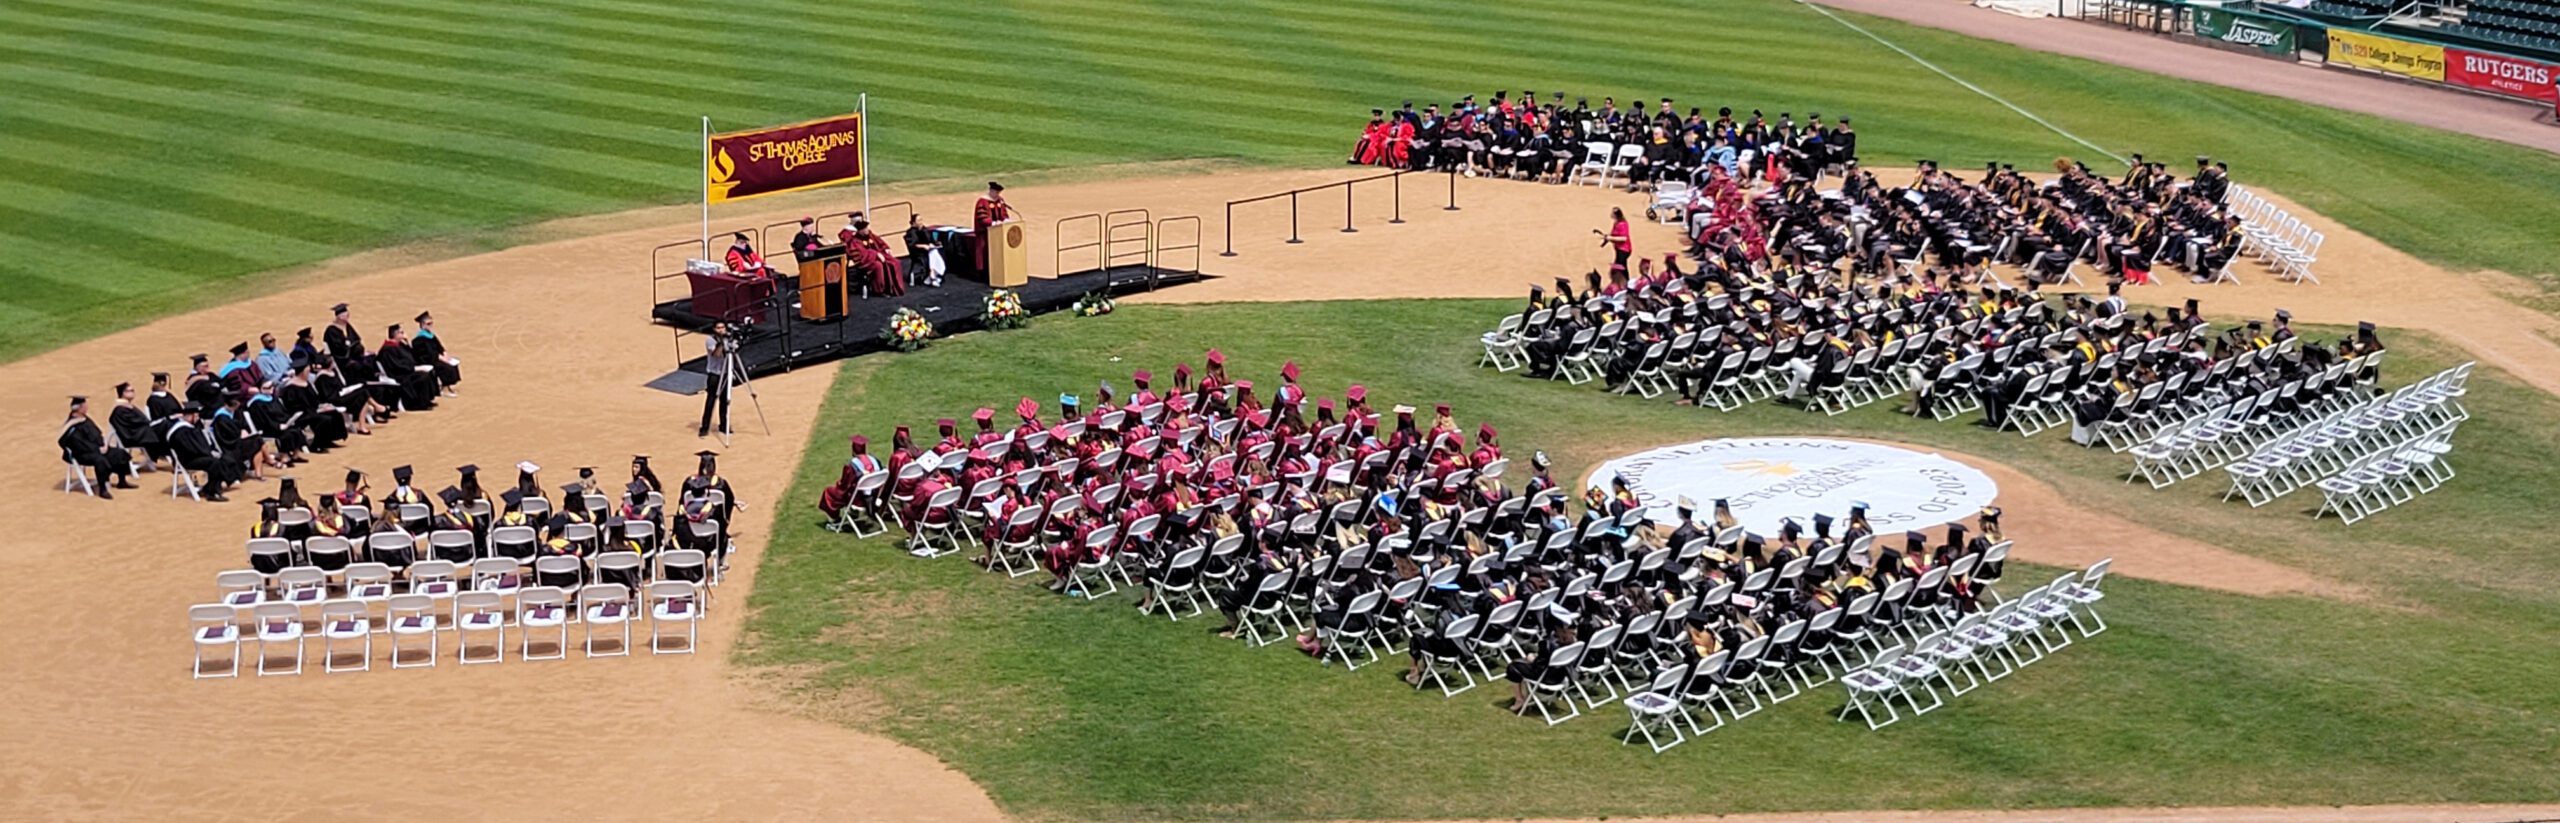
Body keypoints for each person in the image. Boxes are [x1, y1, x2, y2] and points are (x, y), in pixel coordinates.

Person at [59, 396, 136, 497]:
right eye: (85, 405)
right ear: (79, 408)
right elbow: (80, 444)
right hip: (81, 454)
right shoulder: (72, 426)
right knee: (100, 460)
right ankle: (103, 489)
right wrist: (98, 449)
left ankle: (122, 481)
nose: (87, 407)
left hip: (97, 449)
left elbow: (97, 433)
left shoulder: (85, 419)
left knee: (119, 453)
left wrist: (104, 443)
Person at [107, 382, 164, 471]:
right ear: (123, 393)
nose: (133, 393)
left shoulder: (127, 406)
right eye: (130, 391)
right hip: (131, 437)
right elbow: (132, 426)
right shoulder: (120, 409)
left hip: (137, 433)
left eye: (133, 390)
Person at [698, 322, 735, 438]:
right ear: (714, 329)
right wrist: (722, 343)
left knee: (724, 400)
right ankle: (704, 427)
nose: (721, 330)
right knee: (710, 401)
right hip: (714, 374)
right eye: (718, 328)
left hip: (725, 373)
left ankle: (724, 425)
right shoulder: (710, 340)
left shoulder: (729, 338)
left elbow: (734, 351)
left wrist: (731, 341)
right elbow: (716, 354)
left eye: (723, 327)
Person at [409, 311, 461, 394]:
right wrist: (441, 358)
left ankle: (447, 386)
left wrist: (445, 353)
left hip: (436, 358)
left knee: (452, 364)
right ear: (422, 325)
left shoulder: (431, 335)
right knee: (445, 367)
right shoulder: (418, 340)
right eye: (428, 324)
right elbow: (429, 353)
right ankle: (444, 389)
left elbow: (439, 346)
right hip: (427, 360)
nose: (431, 325)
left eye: (431, 323)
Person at [972, 181, 1014, 274]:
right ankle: (984, 272)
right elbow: (982, 218)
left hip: (998, 233)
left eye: (998, 193)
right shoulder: (982, 202)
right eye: (996, 193)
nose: (997, 195)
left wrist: (1005, 220)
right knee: (984, 253)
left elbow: (1003, 213)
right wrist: (993, 223)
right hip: (984, 233)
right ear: (991, 191)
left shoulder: (1000, 200)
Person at [903, 213, 942, 288]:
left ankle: (932, 274)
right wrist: (923, 246)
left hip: (928, 250)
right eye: (918, 220)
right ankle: (933, 275)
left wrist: (934, 243)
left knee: (935, 252)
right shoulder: (910, 232)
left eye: (921, 220)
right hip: (918, 252)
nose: (920, 222)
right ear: (913, 223)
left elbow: (930, 239)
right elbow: (912, 245)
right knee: (933, 253)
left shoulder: (924, 229)